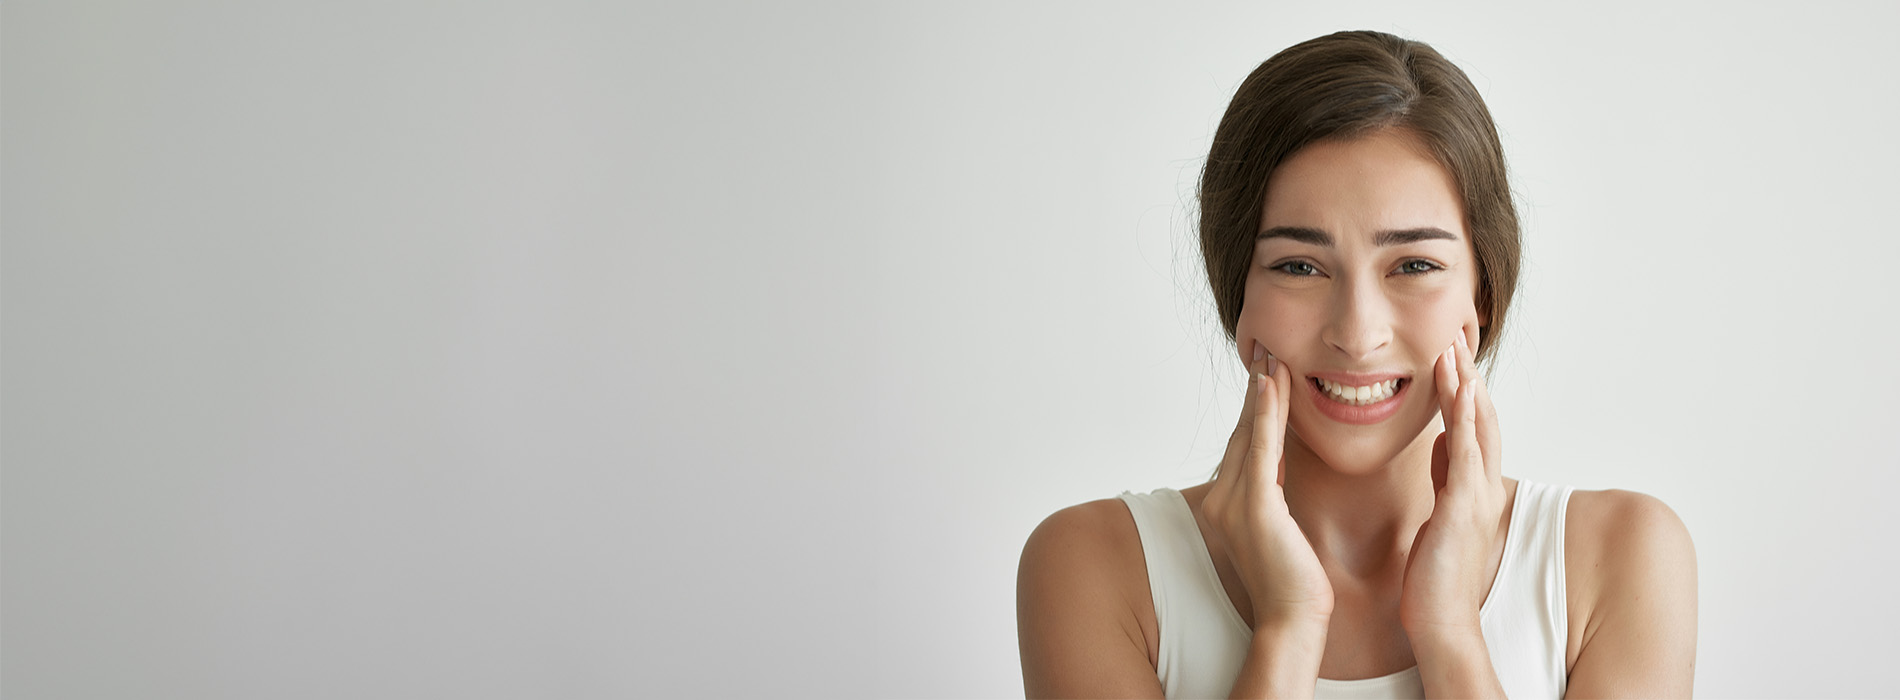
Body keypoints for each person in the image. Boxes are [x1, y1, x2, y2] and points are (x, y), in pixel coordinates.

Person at [1016, 30, 1696, 699]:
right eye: (1300, 266)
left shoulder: (1622, 560)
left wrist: (1450, 630)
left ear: (1482, 294)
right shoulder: (1096, 567)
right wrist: (1288, 628)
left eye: (1414, 265)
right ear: (1238, 294)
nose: (1357, 333)